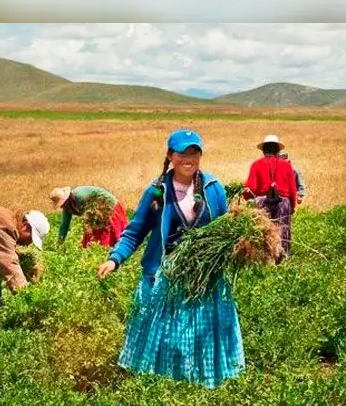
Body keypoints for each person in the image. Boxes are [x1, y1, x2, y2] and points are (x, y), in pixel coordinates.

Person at [96, 129, 244, 389]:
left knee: (201, 333)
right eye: (182, 153)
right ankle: (162, 385)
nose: (188, 159)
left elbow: (224, 230)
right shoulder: (157, 192)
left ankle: (201, 383)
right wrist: (115, 259)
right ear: (170, 155)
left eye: (194, 153)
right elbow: (135, 231)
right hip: (165, 274)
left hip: (205, 277)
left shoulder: (213, 188)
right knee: (167, 336)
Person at [244, 134, 298, 262]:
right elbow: (293, 188)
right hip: (283, 201)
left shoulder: (256, 165)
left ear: (263, 150)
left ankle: (265, 259)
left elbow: (250, 188)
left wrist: (246, 197)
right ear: (278, 150)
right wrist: (292, 205)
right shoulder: (286, 165)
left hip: (262, 202)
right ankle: (282, 259)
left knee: (263, 231)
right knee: (282, 229)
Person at [50, 186, 129, 248]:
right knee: (91, 237)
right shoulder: (67, 207)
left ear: (67, 198)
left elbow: (90, 217)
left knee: (109, 233)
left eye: (63, 203)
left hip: (108, 206)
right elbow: (64, 224)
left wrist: (89, 229)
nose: (62, 206)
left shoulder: (81, 197)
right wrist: (59, 243)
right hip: (96, 213)